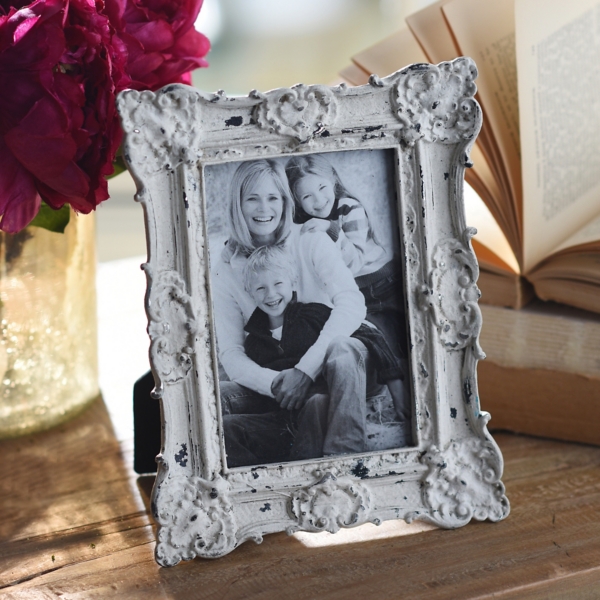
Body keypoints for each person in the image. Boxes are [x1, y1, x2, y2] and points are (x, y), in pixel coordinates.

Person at [211, 159, 377, 465]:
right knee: (214, 399)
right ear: (238, 204)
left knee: (344, 348)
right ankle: (282, 457)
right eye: (252, 199)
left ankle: (347, 459)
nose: (265, 209)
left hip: (336, 363)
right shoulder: (225, 268)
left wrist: (305, 371)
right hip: (279, 374)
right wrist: (276, 383)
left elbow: (351, 303)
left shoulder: (309, 238)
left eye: (273, 198)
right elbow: (231, 353)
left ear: (285, 201)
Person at [242, 245, 409, 424]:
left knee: (318, 402)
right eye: (260, 288)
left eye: (278, 284)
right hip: (288, 416)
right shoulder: (253, 342)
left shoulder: (312, 314)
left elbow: (370, 333)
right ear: (250, 293)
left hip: (330, 398)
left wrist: (396, 386)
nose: (271, 294)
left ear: (293, 282)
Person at [285, 154, 408, 367]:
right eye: (307, 196)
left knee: (392, 343)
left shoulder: (349, 208)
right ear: (297, 200)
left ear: (333, 180)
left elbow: (356, 262)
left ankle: (397, 382)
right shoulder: (305, 221)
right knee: (361, 338)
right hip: (357, 290)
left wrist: (331, 229)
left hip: (382, 285)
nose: (318, 200)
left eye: (322, 188)